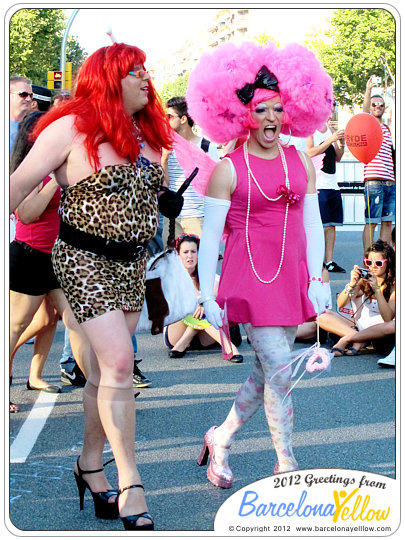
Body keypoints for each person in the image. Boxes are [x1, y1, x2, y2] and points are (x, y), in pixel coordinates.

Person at [10, 42, 181, 530]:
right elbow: (16, 189)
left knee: (106, 372)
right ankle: (131, 481)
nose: (146, 78)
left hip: (132, 266)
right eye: (135, 71)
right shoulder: (69, 129)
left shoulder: (148, 135)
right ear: (109, 79)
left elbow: (147, 194)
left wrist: (166, 204)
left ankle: (89, 463)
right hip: (83, 260)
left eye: (147, 69)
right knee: (121, 363)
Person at [186, 41, 332, 486]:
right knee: (281, 370)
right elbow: (210, 236)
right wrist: (206, 295)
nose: (272, 118)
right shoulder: (227, 169)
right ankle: (287, 462)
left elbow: (312, 224)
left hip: (289, 278)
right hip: (249, 280)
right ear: (242, 115)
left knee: (266, 369)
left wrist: (317, 275)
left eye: (278, 109)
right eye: (262, 109)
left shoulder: (299, 162)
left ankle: (222, 437)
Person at [9, 111, 91, 410]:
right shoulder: (29, 170)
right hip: (29, 256)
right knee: (16, 325)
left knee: (64, 322)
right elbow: (27, 214)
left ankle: (96, 385)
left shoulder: (64, 166)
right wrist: (55, 182)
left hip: (59, 258)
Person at [164, 234, 243, 362]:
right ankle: (229, 348)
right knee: (188, 307)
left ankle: (185, 341)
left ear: (198, 254)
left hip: (206, 336)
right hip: (177, 334)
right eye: (185, 252)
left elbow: (218, 297)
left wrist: (203, 304)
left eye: (193, 252)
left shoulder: (209, 276)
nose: (189, 256)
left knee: (208, 307)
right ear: (178, 256)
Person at [319, 239, 395, 356]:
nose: (372, 267)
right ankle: (360, 340)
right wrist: (351, 284)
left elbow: (388, 318)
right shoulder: (364, 280)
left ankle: (347, 339)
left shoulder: (394, 285)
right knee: (322, 316)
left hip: (380, 330)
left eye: (378, 263)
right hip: (359, 326)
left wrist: (376, 289)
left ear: (388, 262)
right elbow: (341, 304)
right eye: (368, 262)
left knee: (393, 326)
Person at [161, 96, 219, 245]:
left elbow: (214, 186)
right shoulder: (166, 146)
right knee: (171, 266)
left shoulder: (206, 146)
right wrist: (164, 160)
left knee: (199, 265)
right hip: (172, 217)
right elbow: (164, 184)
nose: (166, 120)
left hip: (197, 218)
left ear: (183, 119)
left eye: (170, 116)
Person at [306, 100, 346, 273]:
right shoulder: (310, 130)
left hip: (332, 184)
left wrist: (342, 143)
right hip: (318, 184)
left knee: (331, 225)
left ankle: (329, 261)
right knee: (318, 225)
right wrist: (331, 139)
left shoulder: (330, 129)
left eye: (333, 107)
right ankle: (315, 261)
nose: (331, 110)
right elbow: (310, 152)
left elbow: (338, 157)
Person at [362, 76, 395, 249]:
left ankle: (383, 260)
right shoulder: (368, 124)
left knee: (387, 223)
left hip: (390, 182)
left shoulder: (387, 128)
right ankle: (368, 259)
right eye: (374, 105)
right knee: (371, 223)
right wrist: (369, 90)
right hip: (374, 181)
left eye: (381, 105)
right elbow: (364, 111)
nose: (377, 107)